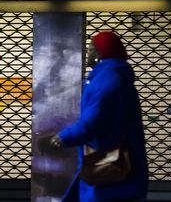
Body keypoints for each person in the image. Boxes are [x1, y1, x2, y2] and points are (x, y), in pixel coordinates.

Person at [50, 31, 148, 202]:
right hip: (118, 161)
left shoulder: (107, 78)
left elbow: (94, 117)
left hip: (107, 164)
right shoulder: (117, 75)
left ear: (100, 53)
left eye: (90, 49)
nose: (88, 53)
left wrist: (64, 137)